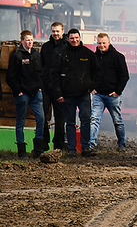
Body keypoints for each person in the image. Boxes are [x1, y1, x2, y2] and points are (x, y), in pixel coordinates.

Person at [52, 28, 100, 157]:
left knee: (86, 120)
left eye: (76, 38)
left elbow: (97, 72)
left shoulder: (88, 54)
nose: (74, 40)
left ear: (80, 38)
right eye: (72, 38)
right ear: (68, 39)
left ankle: (85, 148)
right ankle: (72, 149)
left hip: (84, 94)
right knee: (70, 122)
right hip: (67, 96)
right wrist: (58, 94)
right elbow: (54, 75)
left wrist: (91, 86)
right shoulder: (61, 54)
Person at [6, 30, 46, 159]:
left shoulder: (36, 55)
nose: (30, 42)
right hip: (22, 94)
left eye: (31, 39)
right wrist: (18, 91)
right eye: (27, 40)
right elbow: (10, 77)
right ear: (22, 40)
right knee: (21, 121)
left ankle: (38, 148)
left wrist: (40, 87)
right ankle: (21, 150)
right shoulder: (17, 56)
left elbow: (41, 73)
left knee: (41, 119)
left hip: (36, 93)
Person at [90, 33, 130, 151]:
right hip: (98, 95)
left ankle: (122, 144)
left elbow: (124, 76)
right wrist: (92, 87)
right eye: (99, 43)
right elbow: (89, 74)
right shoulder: (94, 57)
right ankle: (91, 145)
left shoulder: (118, 57)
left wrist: (118, 91)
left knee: (117, 121)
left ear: (109, 42)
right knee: (94, 120)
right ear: (96, 43)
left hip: (112, 96)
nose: (101, 45)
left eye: (104, 43)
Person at [40, 22, 68, 151]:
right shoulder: (46, 47)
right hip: (46, 87)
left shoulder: (67, 47)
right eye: (53, 31)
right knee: (43, 115)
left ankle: (58, 145)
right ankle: (44, 142)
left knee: (60, 117)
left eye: (58, 31)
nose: (55, 34)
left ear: (63, 31)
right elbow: (41, 66)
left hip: (60, 89)